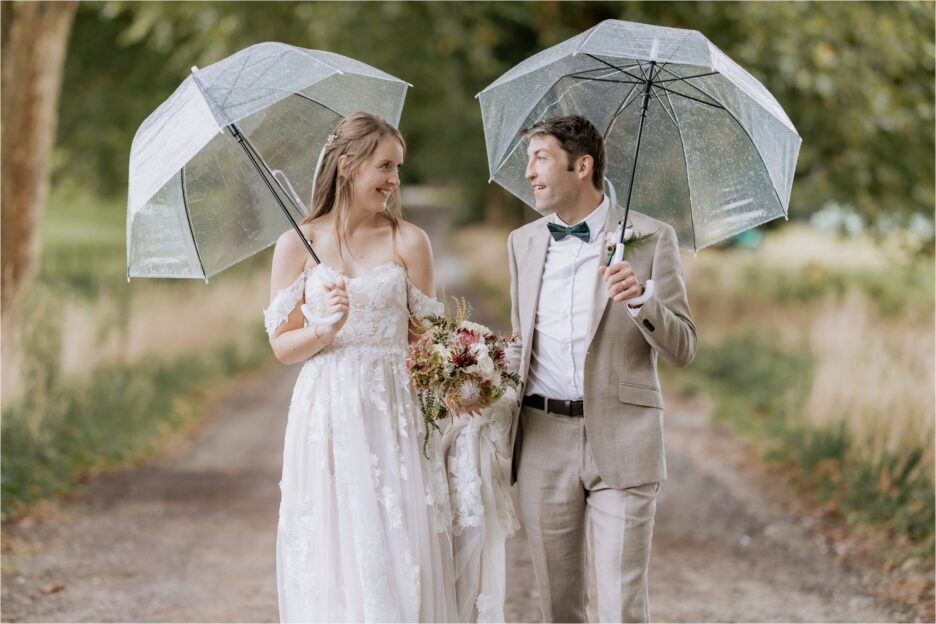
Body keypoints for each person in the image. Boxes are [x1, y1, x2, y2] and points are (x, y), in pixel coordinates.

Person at [263, 112, 458, 622]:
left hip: (393, 411)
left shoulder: (409, 241)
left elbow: (430, 341)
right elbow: (283, 347)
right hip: (325, 413)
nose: (395, 181)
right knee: (333, 547)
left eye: (398, 168)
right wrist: (323, 330)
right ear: (348, 166)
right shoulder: (295, 244)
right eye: (386, 166)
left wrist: (464, 372)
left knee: (398, 545)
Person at [504, 115, 697, 623]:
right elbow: (520, 345)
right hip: (541, 439)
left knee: (620, 607)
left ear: (581, 165)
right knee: (559, 608)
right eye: (529, 160)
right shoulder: (521, 244)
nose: (529, 172)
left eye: (540, 157)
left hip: (624, 438)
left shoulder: (651, 238)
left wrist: (643, 300)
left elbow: (683, 349)